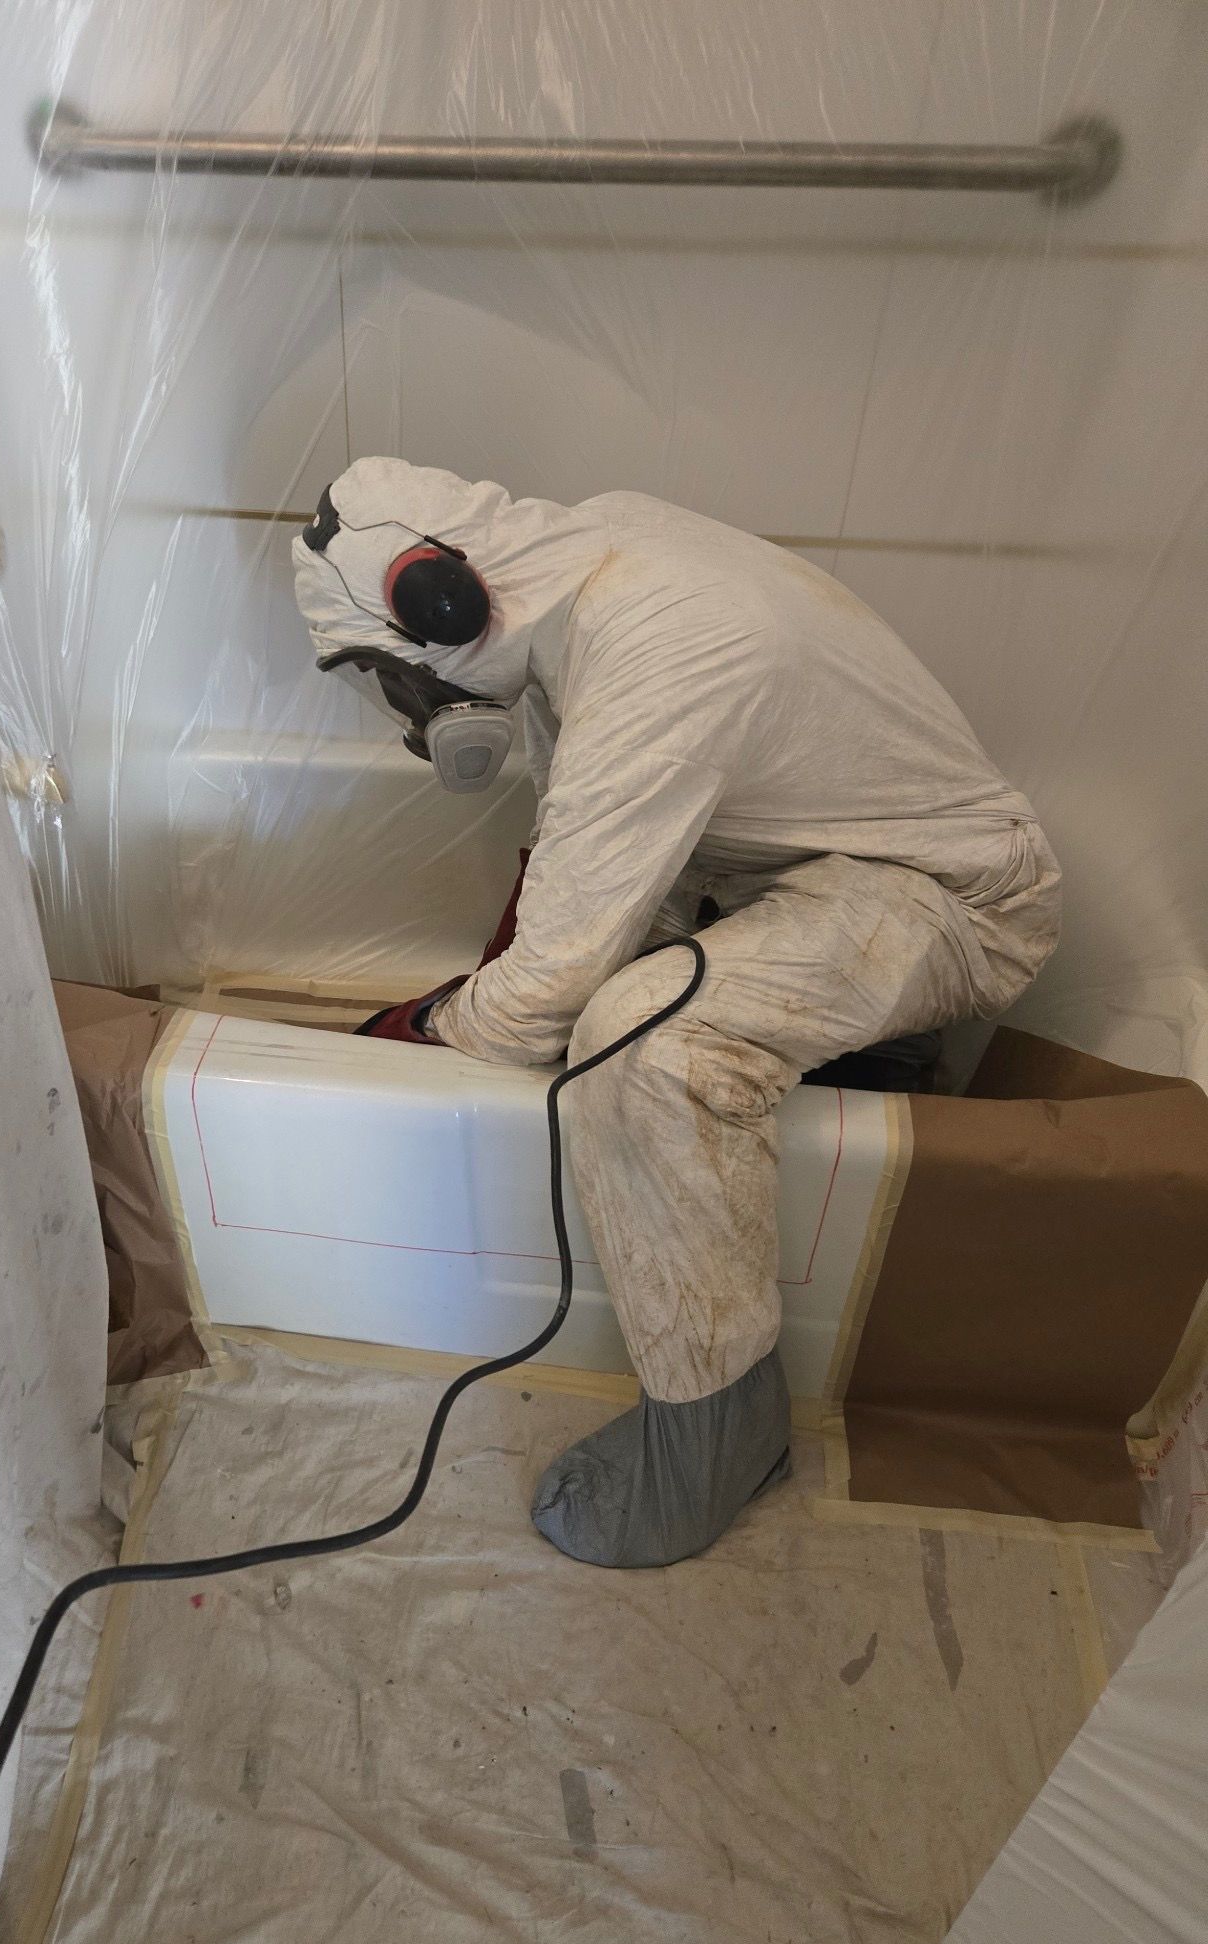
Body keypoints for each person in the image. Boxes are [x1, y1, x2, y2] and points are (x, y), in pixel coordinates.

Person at [291, 459, 1061, 1570]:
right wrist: (482, 988)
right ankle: (878, 1049)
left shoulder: (661, 643)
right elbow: (579, 858)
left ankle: (721, 1434)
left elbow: (538, 1005)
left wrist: (420, 1035)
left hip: (955, 902)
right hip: (810, 872)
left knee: (641, 1044)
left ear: (441, 603)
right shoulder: (592, 569)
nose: (412, 710)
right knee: (614, 981)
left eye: (393, 676)